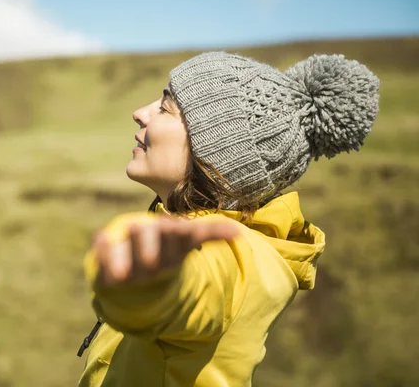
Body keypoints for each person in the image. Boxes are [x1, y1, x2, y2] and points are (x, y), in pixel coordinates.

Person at [77, 51, 379, 386]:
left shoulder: (230, 255)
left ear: (216, 153)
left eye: (165, 107)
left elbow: (198, 289)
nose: (139, 113)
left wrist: (151, 279)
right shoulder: (230, 242)